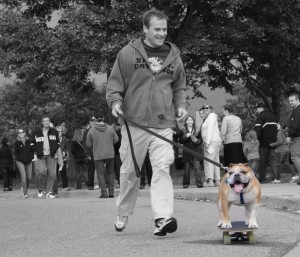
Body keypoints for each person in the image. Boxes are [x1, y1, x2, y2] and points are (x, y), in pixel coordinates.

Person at [106, 8, 187, 236]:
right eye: (157, 29)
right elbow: (114, 83)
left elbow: (179, 86)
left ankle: (162, 218)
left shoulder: (174, 56)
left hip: (163, 123)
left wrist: (181, 105)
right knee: (130, 172)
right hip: (134, 123)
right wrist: (115, 102)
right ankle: (122, 211)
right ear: (145, 29)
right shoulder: (127, 53)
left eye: (165, 29)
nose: (162, 33)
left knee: (162, 168)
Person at [86, 117, 119, 198]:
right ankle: (111, 192)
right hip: (110, 154)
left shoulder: (92, 130)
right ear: (103, 122)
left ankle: (104, 192)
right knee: (110, 172)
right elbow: (116, 139)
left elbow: (88, 144)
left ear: (96, 122)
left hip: (98, 155)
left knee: (100, 173)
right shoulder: (110, 128)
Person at [32, 117, 60, 199]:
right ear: (42, 123)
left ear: (49, 122)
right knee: (42, 171)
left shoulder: (54, 131)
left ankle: (48, 192)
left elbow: (58, 142)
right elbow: (32, 144)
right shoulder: (36, 132)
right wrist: (36, 151)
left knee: (52, 174)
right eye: (45, 121)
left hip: (51, 155)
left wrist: (54, 149)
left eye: (48, 121)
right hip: (41, 155)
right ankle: (41, 189)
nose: (46, 122)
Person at [254, 103, 278, 183]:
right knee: (274, 161)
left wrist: (256, 140)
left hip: (263, 143)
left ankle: (262, 179)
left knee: (263, 161)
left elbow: (257, 130)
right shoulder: (274, 116)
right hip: (274, 142)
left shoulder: (260, 117)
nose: (256, 110)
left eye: (257, 108)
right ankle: (276, 178)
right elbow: (277, 129)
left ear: (261, 108)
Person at [201, 105, 222, 187]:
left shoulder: (211, 116)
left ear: (211, 109)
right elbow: (216, 131)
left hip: (211, 142)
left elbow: (210, 130)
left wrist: (207, 142)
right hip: (215, 141)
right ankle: (217, 181)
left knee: (208, 161)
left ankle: (210, 181)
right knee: (216, 161)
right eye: (204, 108)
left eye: (207, 108)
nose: (205, 109)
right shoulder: (212, 117)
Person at [179, 116, 203, 188]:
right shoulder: (183, 130)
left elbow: (201, 140)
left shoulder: (197, 130)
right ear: (186, 122)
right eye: (188, 120)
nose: (190, 121)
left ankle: (199, 183)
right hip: (187, 152)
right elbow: (180, 141)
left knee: (197, 168)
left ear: (193, 122)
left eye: (191, 120)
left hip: (196, 151)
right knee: (187, 169)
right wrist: (185, 136)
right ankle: (186, 183)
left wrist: (196, 141)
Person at [14, 129, 34, 198]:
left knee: (29, 177)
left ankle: (24, 187)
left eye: (22, 132)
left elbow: (32, 150)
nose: (21, 133)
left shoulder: (29, 141)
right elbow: (15, 153)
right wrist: (20, 158)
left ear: (25, 133)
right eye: (20, 132)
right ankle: (25, 193)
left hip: (29, 161)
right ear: (18, 134)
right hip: (20, 161)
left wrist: (31, 157)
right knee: (24, 177)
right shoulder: (17, 142)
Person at [286, 93, 300, 185]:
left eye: (292, 100)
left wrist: (290, 136)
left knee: (294, 156)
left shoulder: (297, 110)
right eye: (289, 101)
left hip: (297, 137)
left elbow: (295, 125)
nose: (290, 102)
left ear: (298, 100)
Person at [53, 126, 70, 194]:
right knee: (55, 173)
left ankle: (65, 186)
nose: (60, 133)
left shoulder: (64, 139)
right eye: (58, 131)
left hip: (62, 158)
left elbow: (66, 147)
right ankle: (54, 187)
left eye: (61, 131)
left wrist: (64, 152)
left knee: (63, 172)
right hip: (54, 158)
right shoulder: (53, 139)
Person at [83, 117, 96, 190]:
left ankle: (103, 183)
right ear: (90, 122)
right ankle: (90, 184)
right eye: (92, 121)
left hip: (98, 151)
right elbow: (85, 144)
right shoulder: (87, 131)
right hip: (91, 152)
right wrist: (87, 154)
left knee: (101, 168)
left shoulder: (98, 130)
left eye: (94, 121)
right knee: (91, 169)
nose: (93, 122)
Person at [112, 123, 122, 188]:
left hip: (116, 153)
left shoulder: (116, 133)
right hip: (122, 153)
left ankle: (120, 182)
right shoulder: (123, 132)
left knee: (117, 169)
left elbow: (115, 143)